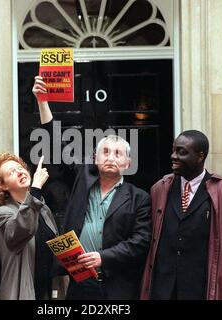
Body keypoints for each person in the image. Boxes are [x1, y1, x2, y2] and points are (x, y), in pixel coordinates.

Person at [32, 76, 151, 300]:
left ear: (128, 163)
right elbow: (56, 144)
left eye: (118, 154)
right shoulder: (81, 178)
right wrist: (42, 101)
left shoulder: (139, 198)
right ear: (95, 158)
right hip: (80, 283)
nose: (111, 158)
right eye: (105, 152)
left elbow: (140, 241)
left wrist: (103, 257)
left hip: (118, 285)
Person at [139, 130, 222, 300]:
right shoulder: (159, 189)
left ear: (200, 156)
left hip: (203, 289)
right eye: (174, 150)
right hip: (162, 289)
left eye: (181, 152)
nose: (173, 156)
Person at [0, 152, 66, 300]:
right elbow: (23, 228)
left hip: (48, 292)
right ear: (3, 186)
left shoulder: (43, 209)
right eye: (11, 172)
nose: (19, 172)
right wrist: (35, 188)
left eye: (20, 168)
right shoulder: (3, 213)